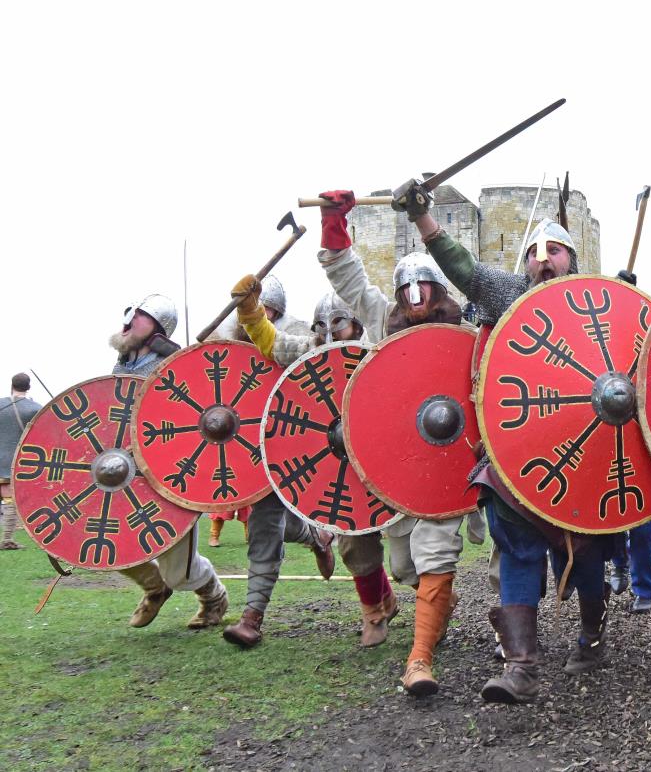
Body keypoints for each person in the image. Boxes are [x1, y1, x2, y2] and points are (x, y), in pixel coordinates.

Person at [397, 178, 618, 705]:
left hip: (585, 453)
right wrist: (424, 219)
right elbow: (463, 269)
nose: (544, 261)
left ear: (573, 259)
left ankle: (591, 635)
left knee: (585, 555)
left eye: (556, 251)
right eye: (536, 255)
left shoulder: (597, 306)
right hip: (511, 454)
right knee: (517, 550)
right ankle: (521, 666)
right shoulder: (508, 294)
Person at [306, 190, 483, 697]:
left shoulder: (463, 332)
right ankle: (434, 610)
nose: (412, 294)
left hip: (449, 463)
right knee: (404, 564)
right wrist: (334, 223)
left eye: (421, 284)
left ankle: (419, 660)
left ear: (435, 286)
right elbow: (348, 279)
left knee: (434, 556)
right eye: (405, 287)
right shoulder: (385, 324)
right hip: (401, 467)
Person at [206, 286, 340, 650]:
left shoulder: (295, 335)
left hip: (287, 444)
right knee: (273, 525)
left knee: (264, 527)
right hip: (241, 449)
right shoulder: (230, 343)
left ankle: (252, 617)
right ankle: (318, 536)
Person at [111, 294, 229, 629]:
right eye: (130, 312)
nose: (129, 318)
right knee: (107, 543)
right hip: (125, 474)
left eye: (141, 315)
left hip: (169, 475)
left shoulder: (173, 368)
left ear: (158, 329)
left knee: (179, 571)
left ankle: (213, 596)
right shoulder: (120, 367)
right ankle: (154, 587)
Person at [0, 373, 41, 550]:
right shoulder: (35, 408)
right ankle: (7, 540)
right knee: (9, 501)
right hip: (14, 462)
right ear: (29, 387)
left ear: (11, 385)